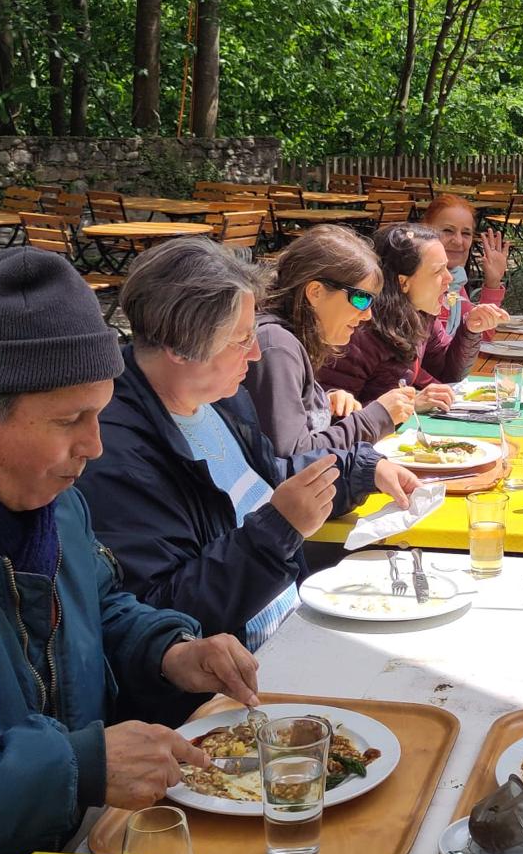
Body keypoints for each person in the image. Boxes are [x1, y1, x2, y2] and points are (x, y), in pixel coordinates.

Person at [0, 246, 263, 854]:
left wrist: (170, 650)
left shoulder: (56, 501)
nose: (95, 446)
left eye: (100, 411)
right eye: (70, 421)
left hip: (77, 851)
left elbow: (101, 604)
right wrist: (77, 766)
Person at [79, 237, 418, 646]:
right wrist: (279, 529)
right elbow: (164, 615)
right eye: (240, 339)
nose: (256, 353)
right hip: (245, 666)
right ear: (180, 346)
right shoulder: (119, 454)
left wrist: (358, 469)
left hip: (293, 623)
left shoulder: (217, 398)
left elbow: (268, 475)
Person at [245, 225, 416, 455]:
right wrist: (375, 418)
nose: (368, 314)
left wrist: (324, 405)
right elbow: (295, 458)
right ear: (315, 292)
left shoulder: (287, 341)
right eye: (361, 298)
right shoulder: (277, 347)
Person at [319, 223, 505, 410]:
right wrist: (410, 404)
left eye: (447, 268)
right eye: (438, 271)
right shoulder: (360, 330)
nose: (449, 278)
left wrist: (469, 330)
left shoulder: (420, 315)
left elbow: (448, 375)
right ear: (403, 283)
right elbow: (331, 413)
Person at [421, 194, 509, 337]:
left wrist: (493, 283)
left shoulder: (455, 280)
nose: (458, 241)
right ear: (424, 231)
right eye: (448, 230)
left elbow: (478, 336)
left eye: (466, 233)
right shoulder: (416, 283)